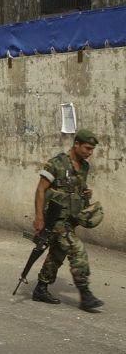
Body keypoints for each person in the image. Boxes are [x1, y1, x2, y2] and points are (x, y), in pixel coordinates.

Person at [31, 129, 105, 312]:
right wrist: (39, 217)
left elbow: (76, 188)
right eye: (87, 148)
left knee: (58, 253)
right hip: (55, 219)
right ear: (77, 144)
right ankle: (85, 295)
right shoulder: (56, 164)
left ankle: (41, 288)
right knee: (76, 249)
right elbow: (40, 190)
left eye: (92, 149)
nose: (90, 152)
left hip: (71, 218)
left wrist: (85, 192)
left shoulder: (84, 167)